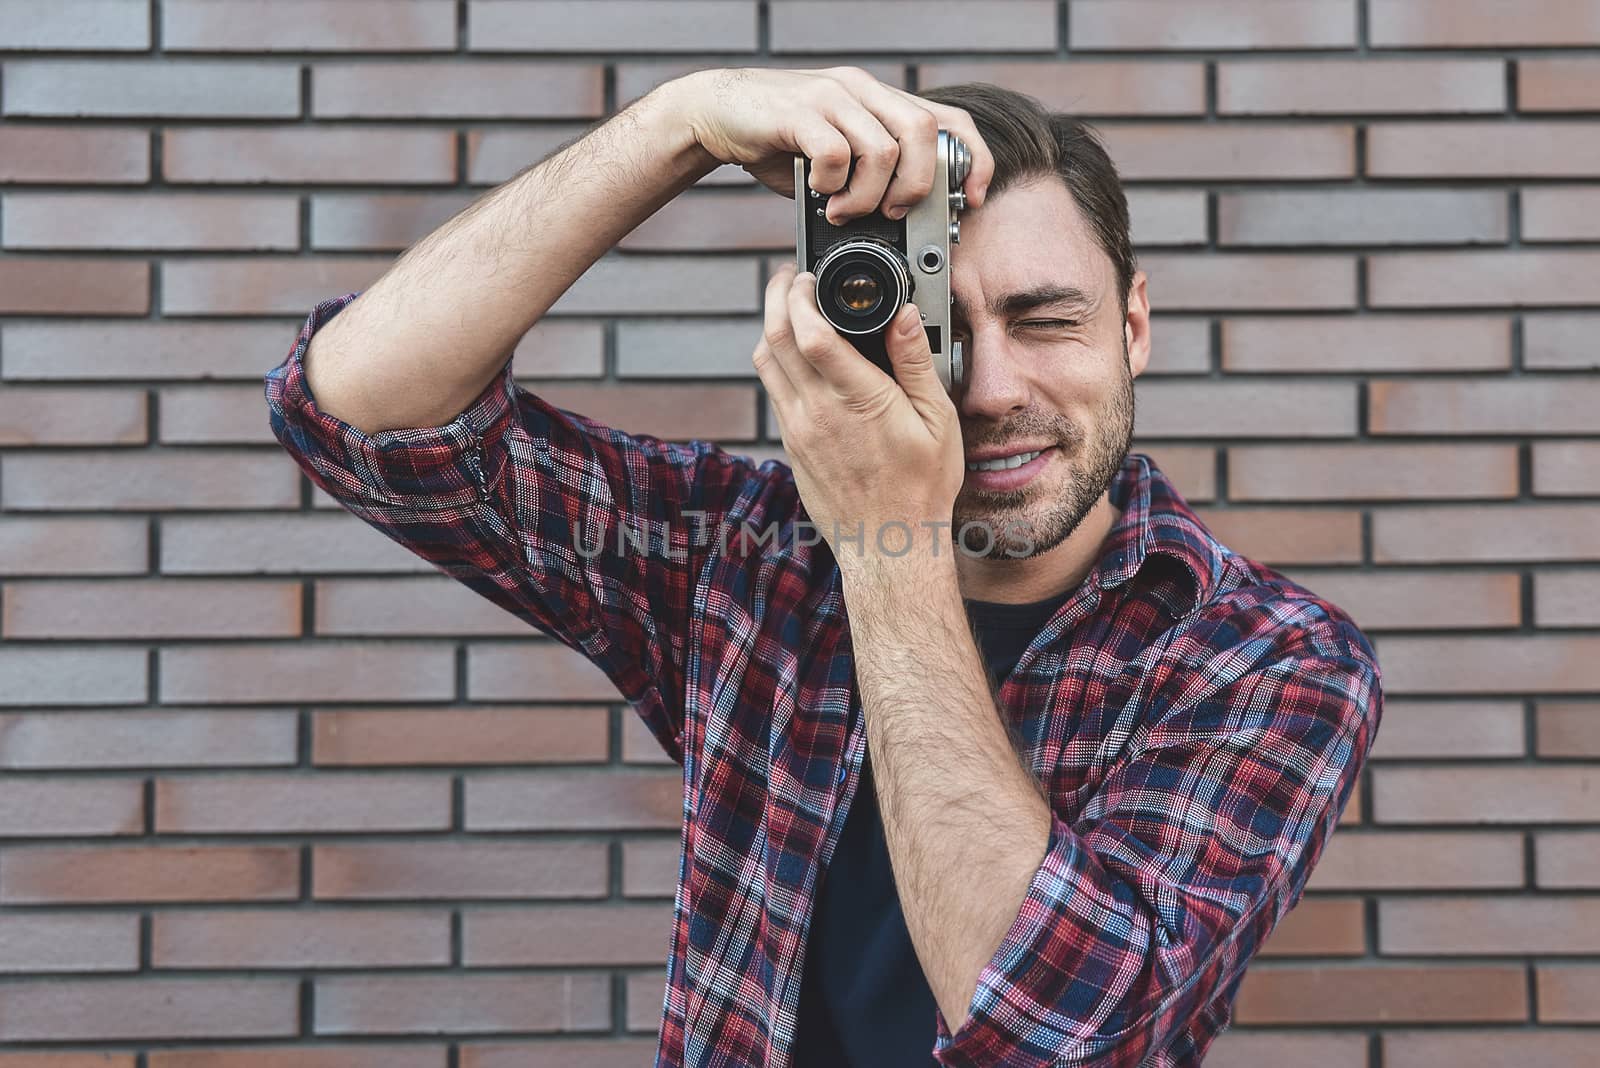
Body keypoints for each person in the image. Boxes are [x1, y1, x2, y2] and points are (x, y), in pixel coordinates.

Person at [264, 66, 1382, 1067]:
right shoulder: (751, 560)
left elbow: (1047, 1036)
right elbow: (360, 419)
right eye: (936, 327)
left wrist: (889, 546)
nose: (990, 390)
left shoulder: (1265, 660)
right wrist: (677, 124)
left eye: (1045, 322)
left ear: (1132, 327)